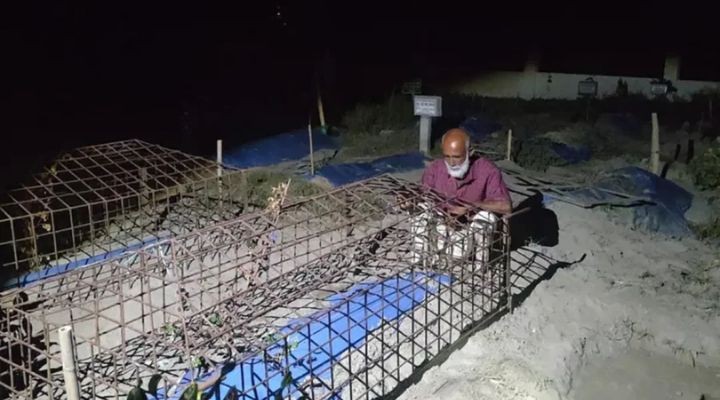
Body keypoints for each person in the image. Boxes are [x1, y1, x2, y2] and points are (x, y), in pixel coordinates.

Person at [409, 128, 512, 264]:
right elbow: (422, 195)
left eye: (457, 157)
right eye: (447, 156)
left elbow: (506, 206)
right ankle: (419, 261)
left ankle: (479, 267)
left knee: (485, 218)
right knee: (420, 210)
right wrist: (410, 201)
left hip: (469, 230)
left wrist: (472, 206)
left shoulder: (487, 170)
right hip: (442, 226)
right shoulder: (436, 168)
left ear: (470, 152)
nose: (451, 163)